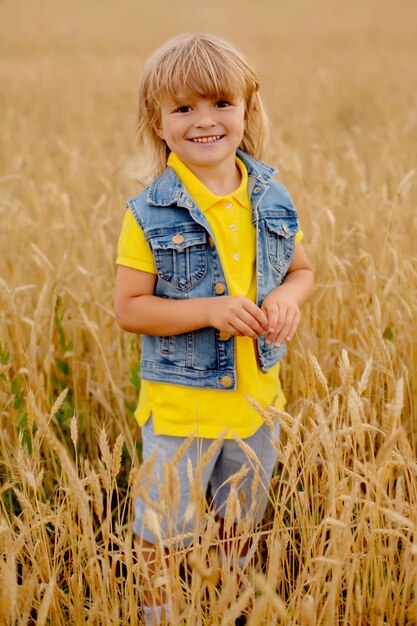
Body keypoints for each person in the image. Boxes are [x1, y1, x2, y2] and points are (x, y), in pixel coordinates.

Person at [114, 33, 314, 624]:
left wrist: (285, 298)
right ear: (158, 121)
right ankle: (161, 617)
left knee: (238, 525)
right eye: (184, 108)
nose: (205, 121)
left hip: (257, 405)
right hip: (182, 410)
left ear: (247, 109)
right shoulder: (148, 212)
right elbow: (131, 308)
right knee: (162, 531)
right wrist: (208, 310)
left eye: (221, 104)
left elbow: (302, 272)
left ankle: (228, 607)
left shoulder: (272, 197)